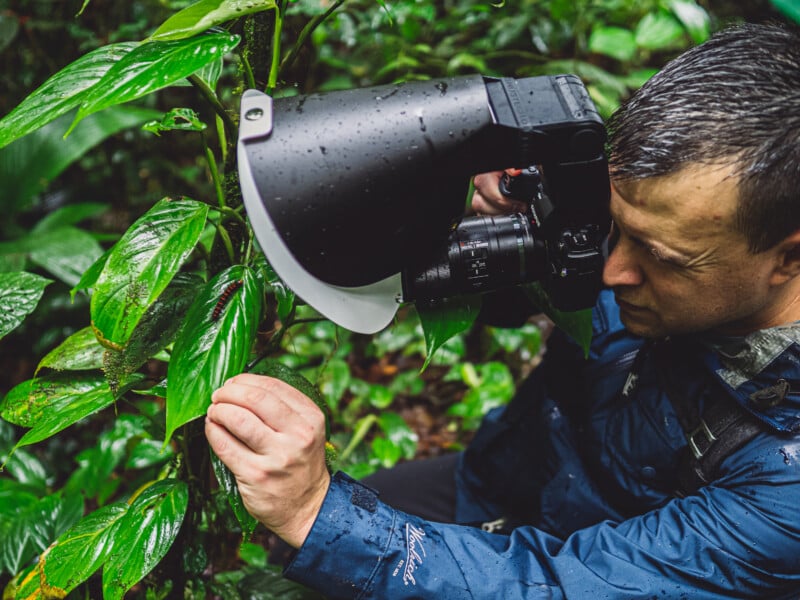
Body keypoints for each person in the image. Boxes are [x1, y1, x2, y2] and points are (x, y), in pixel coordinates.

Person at [204, 21, 800, 598]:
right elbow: (527, 304)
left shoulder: (787, 485)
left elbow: (569, 585)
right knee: (291, 563)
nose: (613, 271)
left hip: (596, 563)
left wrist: (314, 511)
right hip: (504, 483)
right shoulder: (672, 225)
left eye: (662, 258)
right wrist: (506, 218)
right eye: (614, 230)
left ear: (788, 259)